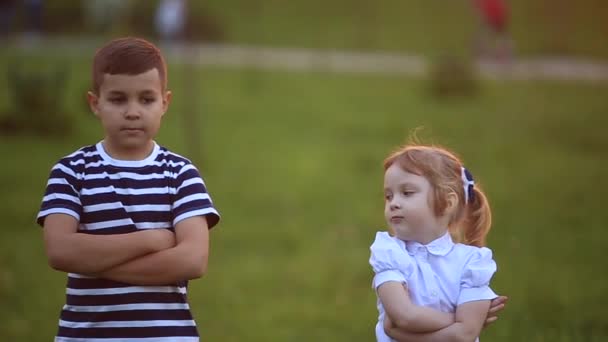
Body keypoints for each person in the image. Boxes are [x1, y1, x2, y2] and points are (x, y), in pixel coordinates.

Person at [37, 37, 220, 341]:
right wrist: (151, 239)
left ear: (165, 102)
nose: (132, 112)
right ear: (96, 103)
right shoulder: (71, 171)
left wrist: (94, 262)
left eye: (146, 99)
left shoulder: (180, 173)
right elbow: (60, 251)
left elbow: (192, 260)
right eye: (118, 99)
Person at [369, 143, 507, 341]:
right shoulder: (389, 254)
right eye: (388, 196)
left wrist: (405, 335)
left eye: (407, 193)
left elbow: (465, 335)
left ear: (448, 203)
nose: (394, 203)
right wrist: (459, 321)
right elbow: (404, 317)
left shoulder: (472, 262)